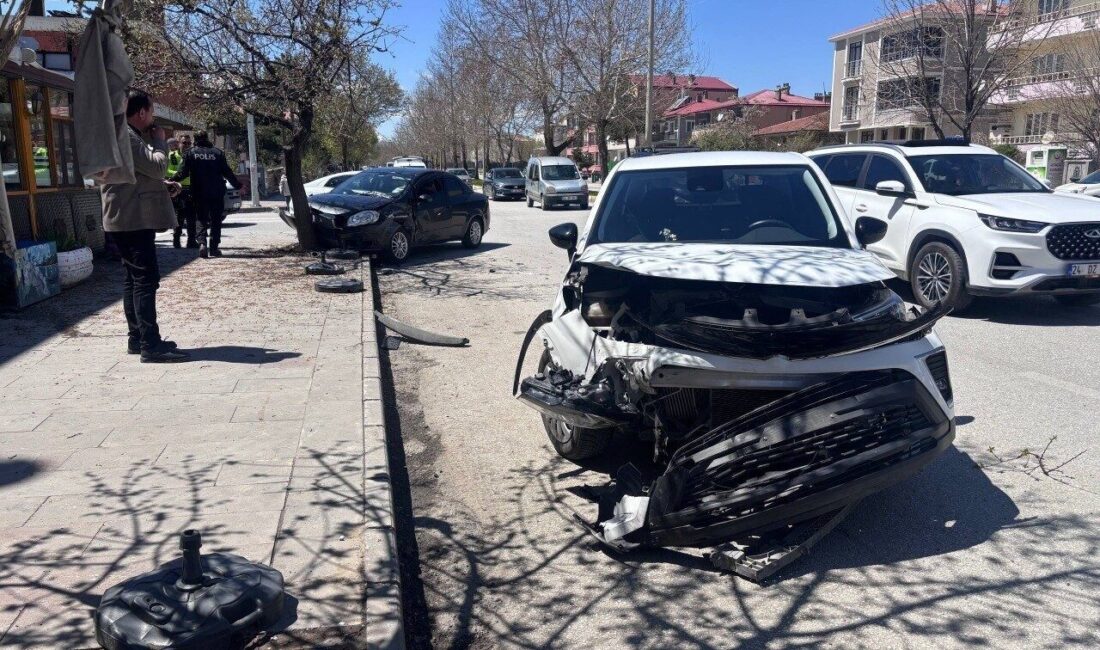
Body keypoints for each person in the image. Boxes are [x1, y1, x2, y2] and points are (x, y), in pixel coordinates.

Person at [101, 92, 190, 363]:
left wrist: (162, 186)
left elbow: (133, 176)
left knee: (133, 279)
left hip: (125, 216)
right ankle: (150, 344)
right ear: (141, 113)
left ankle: (137, 338)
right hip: (132, 219)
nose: (153, 119)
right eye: (151, 113)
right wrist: (160, 141)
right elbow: (157, 166)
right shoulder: (127, 136)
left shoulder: (124, 134)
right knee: (145, 280)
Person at [171, 130, 241, 258]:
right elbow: (227, 172)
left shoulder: (190, 153)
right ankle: (214, 248)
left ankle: (202, 243)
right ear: (207, 138)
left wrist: (171, 181)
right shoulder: (218, 153)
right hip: (216, 192)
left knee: (201, 218)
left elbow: (182, 173)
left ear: (195, 140)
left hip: (199, 192)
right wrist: (238, 185)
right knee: (216, 220)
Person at [166, 136, 197, 248]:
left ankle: (191, 241)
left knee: (192, 216)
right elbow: (167, 170)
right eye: (185, 143)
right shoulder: (173, 156)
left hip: (191, 188)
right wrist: (180, 172)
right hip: (178, 188)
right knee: (179, 216)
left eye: (189, 143)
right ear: (179, 143)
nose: (187, 145)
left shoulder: (194, 156)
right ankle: (176, 240)